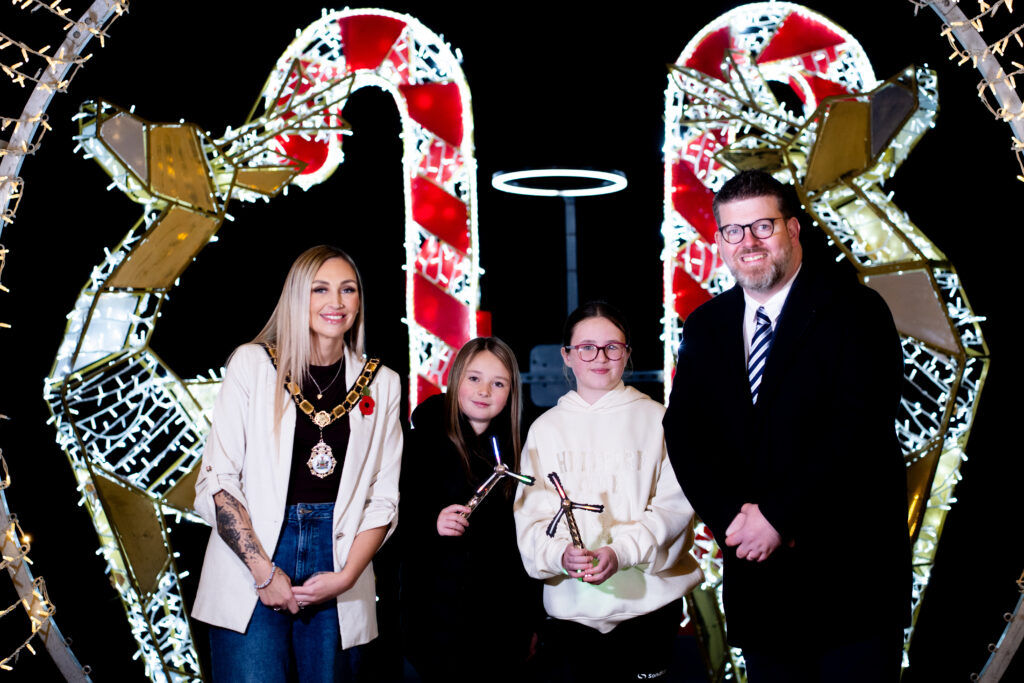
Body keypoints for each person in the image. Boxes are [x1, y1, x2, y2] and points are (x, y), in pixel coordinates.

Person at [663, 170, 910, 682]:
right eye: (733, 231)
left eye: (762, 227)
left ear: (793, 229)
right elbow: (686, 435)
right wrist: (734, 520)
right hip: (761, 591)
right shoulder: (705, 326)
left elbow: (857, 431)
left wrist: (777, 516)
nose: (748, 242)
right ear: (719, 241)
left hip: (851, 588)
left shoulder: (857, 311)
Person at [192, 245, 402, 682]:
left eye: (348, 289)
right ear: (296, 297)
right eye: (320, 289)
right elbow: (218, 478)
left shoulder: (382, 382)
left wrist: (345, 578)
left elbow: (383, 499)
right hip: (254, 555)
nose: (336, 302)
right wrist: (263, 572)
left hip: (341, 556)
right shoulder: (252, 364)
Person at [514, 302, 703, 682]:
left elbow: (674, 506)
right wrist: (559, 555)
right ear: (566, 356)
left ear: (627, 353)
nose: (599, 357)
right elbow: (531, 519)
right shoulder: (544, 430)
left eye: (612, 347)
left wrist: (621, 552)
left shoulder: (659, 420)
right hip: (571, 613)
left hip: (649, 609)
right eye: (586, 347)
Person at [398, 337, 539, 682]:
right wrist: (431, 522)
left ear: (510, 393)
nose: (484, 391)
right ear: (456, 379)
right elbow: (389, 525)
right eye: (474, 378)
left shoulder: (522, 452)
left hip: (501, 626)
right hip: (434, 622)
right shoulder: (417, 446)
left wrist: (532, 621)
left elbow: (527, 547)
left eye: (498, 383)